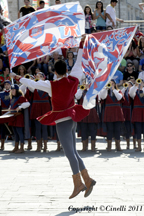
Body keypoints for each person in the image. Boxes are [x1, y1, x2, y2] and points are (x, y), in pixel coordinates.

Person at [10, 38, 96, 199]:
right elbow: (78, 62)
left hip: (62, 120)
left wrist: (15, 76)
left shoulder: (51, 85)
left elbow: (32, 83)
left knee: (70, 153)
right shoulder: (74, 78)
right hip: (72, 118)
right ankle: (87, 180)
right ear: (66, 70)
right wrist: (81, 45)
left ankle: (78, 184)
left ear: (55, 71)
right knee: (74, 152)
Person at [99, 79, 125, 151]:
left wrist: (114, 89)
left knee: (117, 129)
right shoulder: (106, 92)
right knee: (109, 129)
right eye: (110, 83)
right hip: (109, 112)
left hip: (117, 112)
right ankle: (109, 146)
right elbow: (102, 97)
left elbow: (120, 98)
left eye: (112, 83)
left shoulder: (118, 91)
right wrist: (106, 88)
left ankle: (118, 146)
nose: (111, 85)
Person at [9, 84, 30, 153]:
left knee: (19, 132)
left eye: (14, 90)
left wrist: (20, 107)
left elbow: (27, 103)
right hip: (13, 117)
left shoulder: (20, 97)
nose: (12, 91)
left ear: (17, 90)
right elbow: (13, 105)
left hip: (19, 117)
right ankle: (16, 147)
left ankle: (22, 147)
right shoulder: (13, 98)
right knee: (15, 133)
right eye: (12, 90)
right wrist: (10, 108)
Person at [129, 79, 144, 152]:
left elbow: (142, 96)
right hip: (137, 112)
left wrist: (141, 89)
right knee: (138, 130)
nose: (140, 83)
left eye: (141, 82)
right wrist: (135, 86)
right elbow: (131, 94)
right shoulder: (134, 90)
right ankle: (139, 147)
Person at [0, 80, 11, 150]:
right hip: (2, 112)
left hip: (11, 112)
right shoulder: (1, 94)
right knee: (2, 130)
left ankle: (17, 145)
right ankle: (2, 145)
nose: (6, 85)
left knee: (13, 129)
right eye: (5, 84)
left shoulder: (13, 92)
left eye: (8, 84)